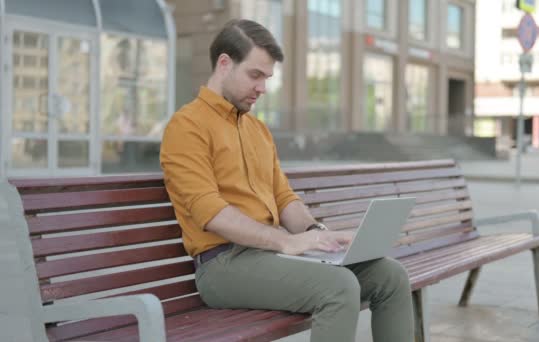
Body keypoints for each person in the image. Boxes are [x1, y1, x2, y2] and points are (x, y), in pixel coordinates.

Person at [160, 19, 415, 342]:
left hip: (268, 257)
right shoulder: (187, 127)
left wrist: (319, 236)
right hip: (224, 265)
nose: (263, 88)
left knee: (390, 275)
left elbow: (283, 198)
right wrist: (285, 241)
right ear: (224, 64)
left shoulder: (257, 130)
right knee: (338, 287)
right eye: (255, 75)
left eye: (266, 78)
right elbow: (209, 212)